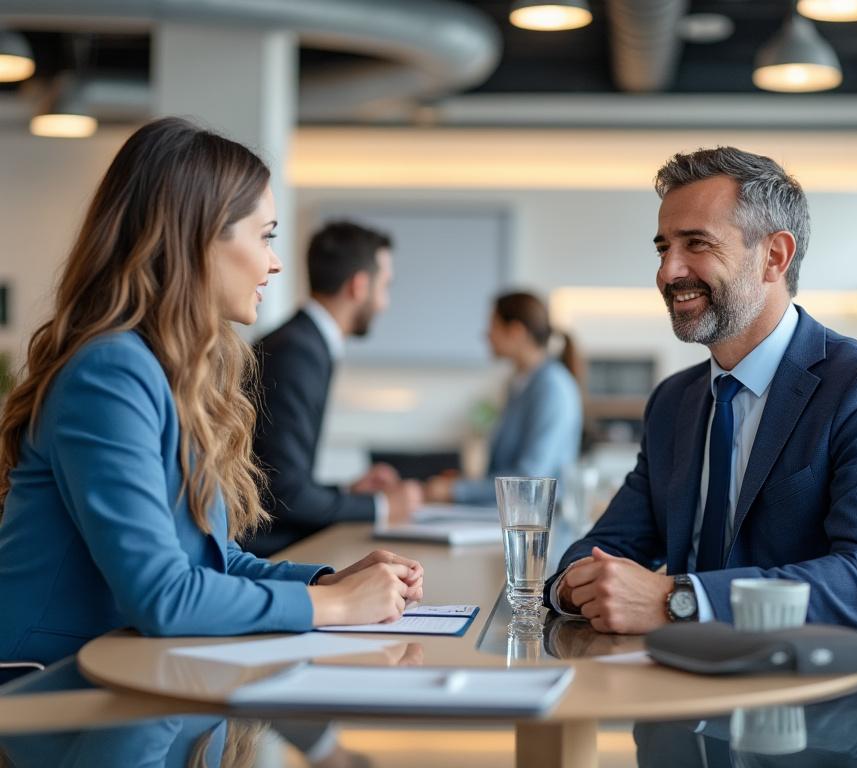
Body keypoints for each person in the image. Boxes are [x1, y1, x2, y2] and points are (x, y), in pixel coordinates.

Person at [546, 146, 857, 710]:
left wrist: (677, 599)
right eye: (664, 248)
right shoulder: (673, 402)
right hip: (697, 704)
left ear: (774, 256)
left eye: (696, 244)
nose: (668, 271)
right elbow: (608, 545)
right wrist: (574, 584)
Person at [0, 117, 423, 668]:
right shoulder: (109, 372)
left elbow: (209, 560)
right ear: (199, 238)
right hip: (47, 684)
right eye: (265, 236)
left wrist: (327, 581)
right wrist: (335, 605)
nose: (275, 262)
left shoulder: (171, 368)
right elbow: (164, 596)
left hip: (124, 666)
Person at [247, 221, 422, 557]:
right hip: (264, 555)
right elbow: (284, 496)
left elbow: (280, 479)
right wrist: (382, 506)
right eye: (385, 286)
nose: (385, 303)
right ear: (359, 286)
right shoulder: (297, 352)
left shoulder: (302, 342)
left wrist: (346, 492)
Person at [424, 291, 583, 506]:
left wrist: (457, 490)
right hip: (514, 515)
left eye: (493, 326)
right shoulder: (519, 383)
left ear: (516, 332)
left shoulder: (552, 387)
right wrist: (465, 483)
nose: (486, 335)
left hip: (539, 521)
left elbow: (530, 479)